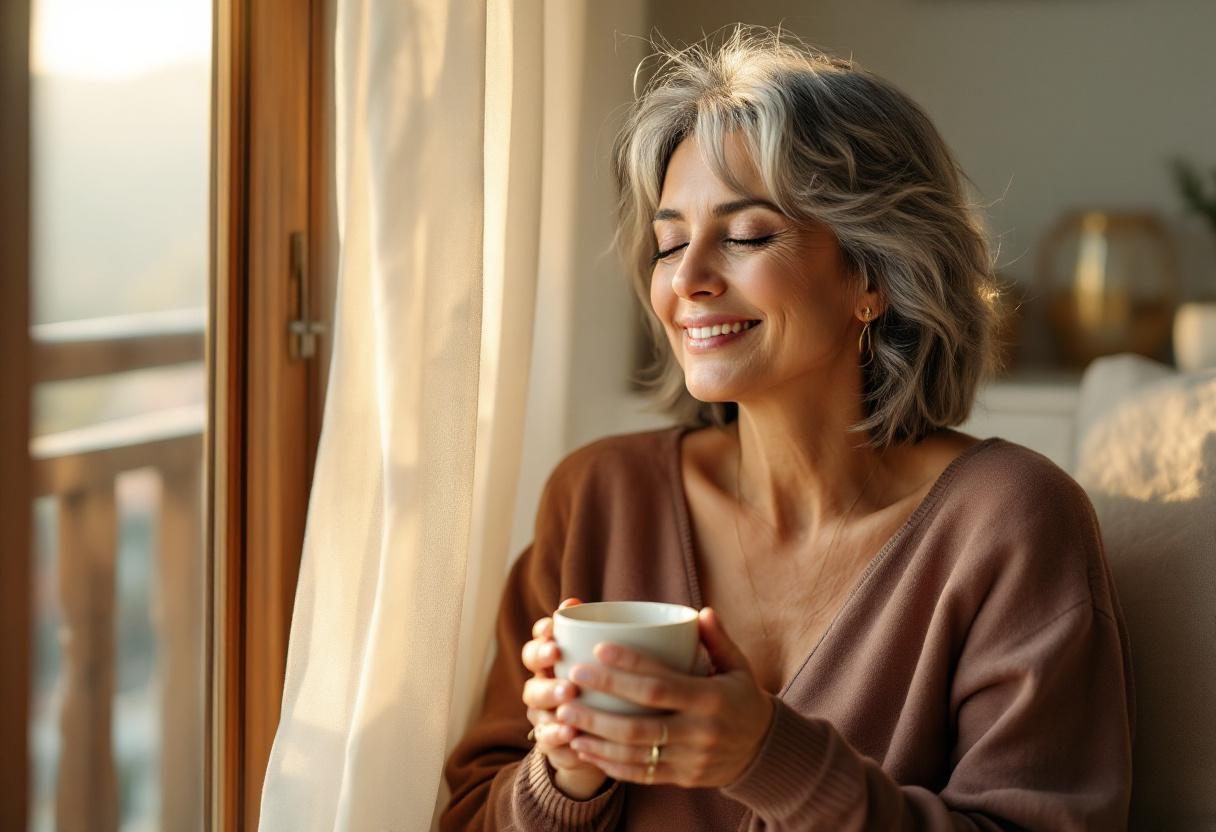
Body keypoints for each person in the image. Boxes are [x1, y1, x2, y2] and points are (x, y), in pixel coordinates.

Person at [441, 25, 1134, 831]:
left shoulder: (1009, 522)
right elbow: (467, 817)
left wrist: (767, 758)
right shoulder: (600, 498)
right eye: (670, 244)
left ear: (873, 275)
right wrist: (565, 776)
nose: (689, 281)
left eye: (745, 236)